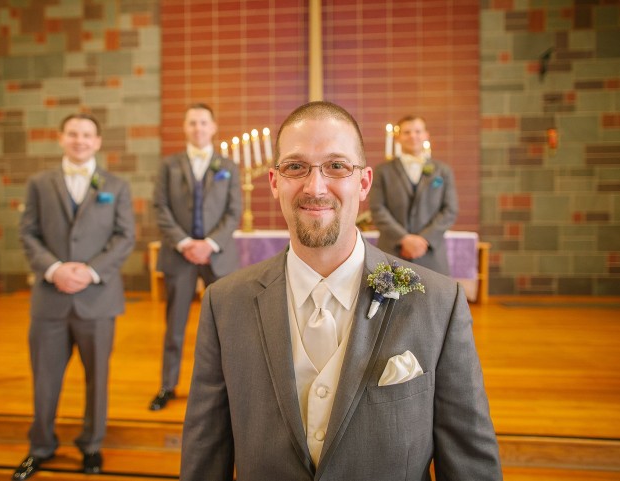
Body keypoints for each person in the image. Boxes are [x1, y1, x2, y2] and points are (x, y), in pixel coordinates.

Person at [180, 101, 501, 480]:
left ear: (363, 182)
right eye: (296, 167)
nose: (315, 188)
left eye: (336, 166)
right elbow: (205, 455)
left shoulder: (438, 303)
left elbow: (470, 462)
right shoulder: (225, 304)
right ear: (274, 182)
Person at [16, 113, 135, 480]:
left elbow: (124, 236)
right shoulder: (39, 183)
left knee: (97, 377)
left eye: (87, 135)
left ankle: (92, 444)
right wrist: (54, 269)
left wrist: (89, 271)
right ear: (61, 138)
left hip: (97, 298)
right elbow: (28, 233)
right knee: (45, 377)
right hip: (50, 299)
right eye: (73, 134)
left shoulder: (116, 185)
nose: (80, 140)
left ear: (98, 142)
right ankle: (41, 446)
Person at [149, 103, 241, 411]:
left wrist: (210, 243)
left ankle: (230, 387)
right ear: (185, 128)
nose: (198, 128)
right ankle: (167, 385)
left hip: (217, 256)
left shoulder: (228, 165)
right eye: (192, 123)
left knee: (227, 325)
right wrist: (186, 242)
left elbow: (234, 211)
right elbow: (160, 208)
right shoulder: (169, 165)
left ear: (213, 127)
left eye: (203, 123)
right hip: (180, 256)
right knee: (175, 326)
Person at [370, 115, 458, 275]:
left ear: (426, 135)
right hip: (393, 252)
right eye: (407, 132)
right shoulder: (383, 171)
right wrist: (404, 239)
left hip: (431, 254)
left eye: (418, 131)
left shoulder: (442, 171)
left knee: (434, 299)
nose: (413, 136)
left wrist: (424, 240)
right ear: (398, 138)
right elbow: (377, 209)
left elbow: (450, 210)